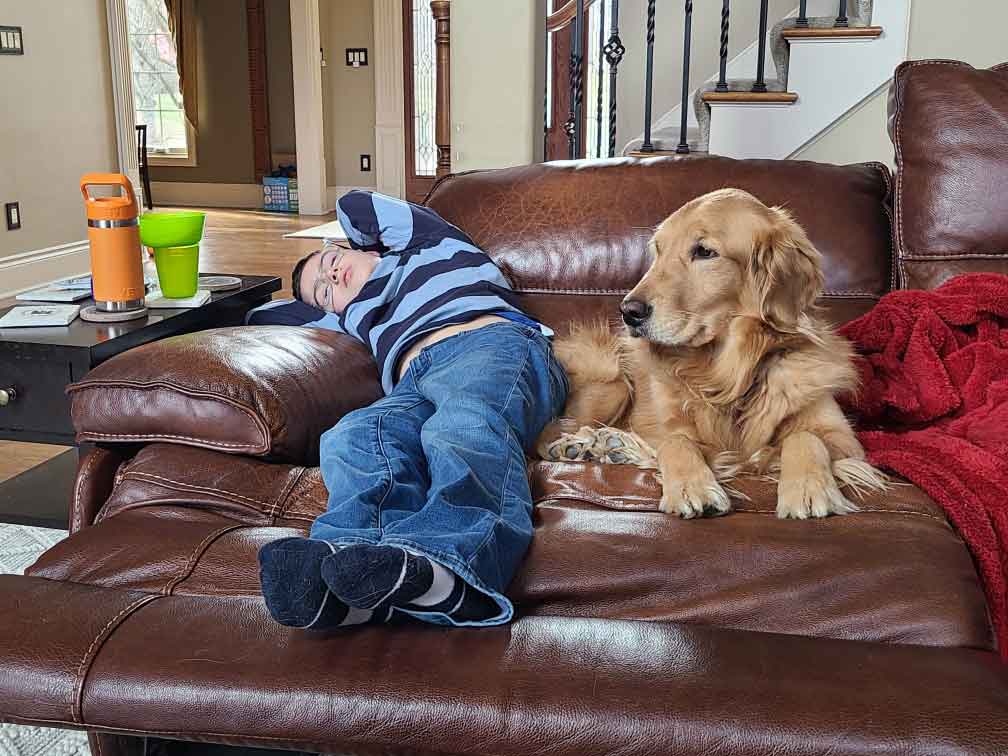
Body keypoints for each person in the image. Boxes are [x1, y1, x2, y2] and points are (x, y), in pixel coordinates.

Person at [258, 190, 568, 629]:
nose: (332, 279)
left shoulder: (427, 245)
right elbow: (263, 317)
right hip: (410, 380)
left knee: (460, 425)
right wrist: (310, 297)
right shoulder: (350, 316)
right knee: (354, 436)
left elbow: (358, 204)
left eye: (329, 263)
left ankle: (457, 570)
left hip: (491, 345)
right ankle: (351, 568)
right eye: (323, 292)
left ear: (358, 247)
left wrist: (343, 258)